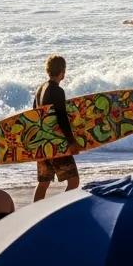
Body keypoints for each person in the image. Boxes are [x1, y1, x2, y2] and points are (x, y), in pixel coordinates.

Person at [33, 56, 79, 201]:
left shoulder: (40, 89)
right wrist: (71, 142)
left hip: (42, 143)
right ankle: (57, 211)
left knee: (43, 183)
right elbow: (62, 118)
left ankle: (35, 215)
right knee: (74, 181)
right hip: (56, 145)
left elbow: (35, 115)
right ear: (62, 71)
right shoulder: (57, 91)